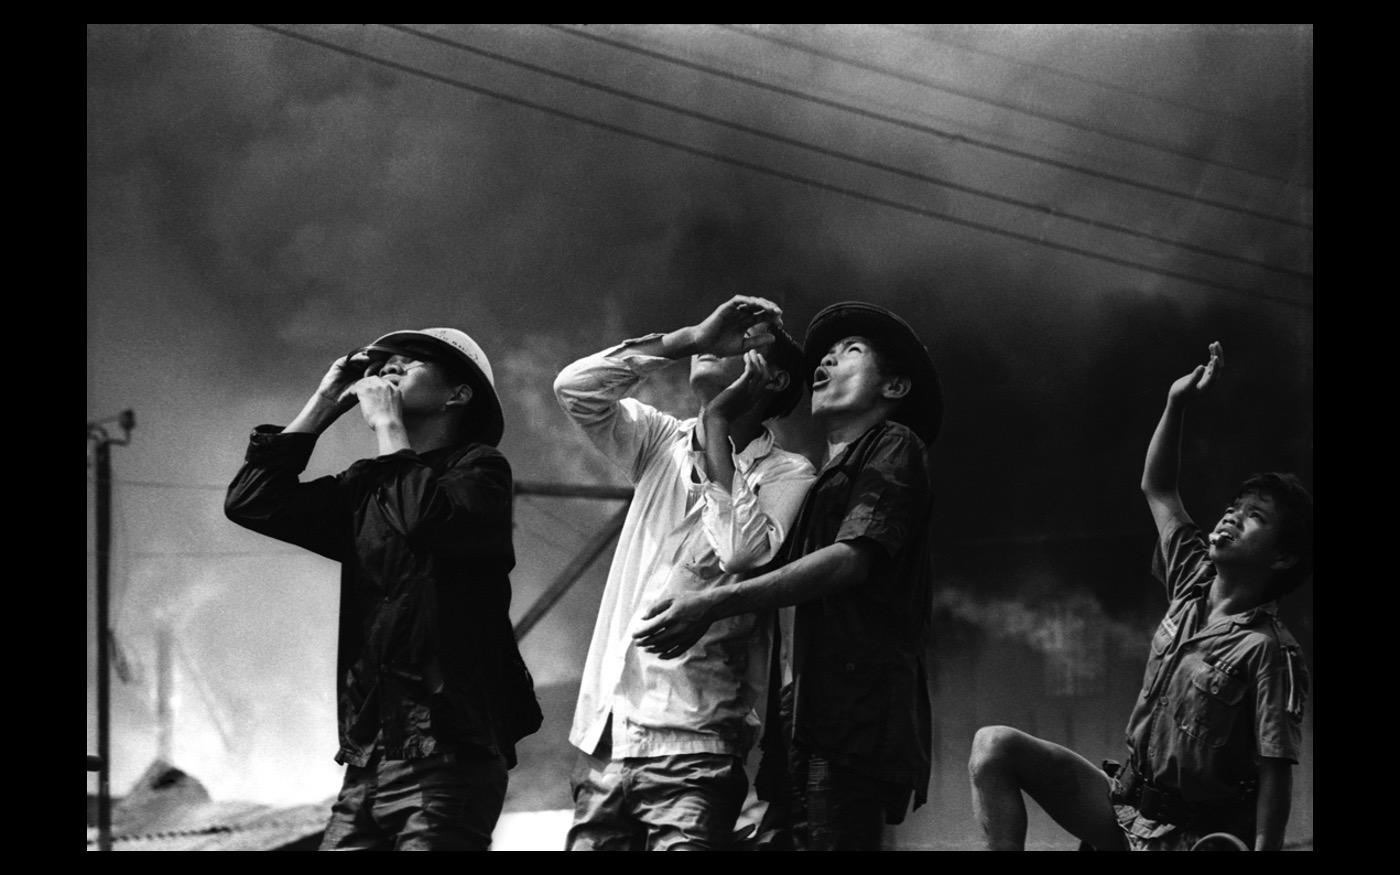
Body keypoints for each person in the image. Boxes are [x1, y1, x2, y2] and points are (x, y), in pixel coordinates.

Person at [966, 341, 1312, 851]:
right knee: (993, 746)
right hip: (1124, 807)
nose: (1232, 515)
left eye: (1255, 515)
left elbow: (1275, 772)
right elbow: (1159, 487)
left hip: (1192, 838)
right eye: (1234, 506)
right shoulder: (1192, 577)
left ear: (1282, 559)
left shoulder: (1268, 651)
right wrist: (1176, 404)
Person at [634, 301, 942, 851]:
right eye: (823, 354)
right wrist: (719, 421)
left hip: (850, 723)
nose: (826, 362)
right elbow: (741, 551)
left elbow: (851, 559)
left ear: (894, 387)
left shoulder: (894, 445)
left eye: (851, 352)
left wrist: (711, 604)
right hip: (801, 725)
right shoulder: (819, 481)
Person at [225, 327, 541, 851]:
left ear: (456, 395)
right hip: (369, 757)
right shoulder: (364, 485)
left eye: (412, 363)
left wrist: (389, 425)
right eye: (386, 362)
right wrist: (326, 401)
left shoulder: (480, 469)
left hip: (448, 753)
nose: (390, 368)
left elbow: (426, 521)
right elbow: (254, 502)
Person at [553, 295, 818, 851]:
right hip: (606, 741)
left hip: (695, 744)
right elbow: (575, 387)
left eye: (744, 342)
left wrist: (719, 419)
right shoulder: (658, 441)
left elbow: (741, 553)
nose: (722, 344)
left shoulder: (789, 472)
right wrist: (688, 339)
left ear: (770, 380)